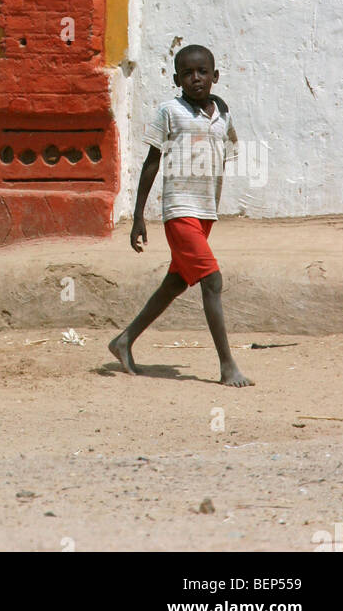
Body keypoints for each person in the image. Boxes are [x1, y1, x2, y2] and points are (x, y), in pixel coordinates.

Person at [108, 44, 253, 387]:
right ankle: (227, 365)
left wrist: (218, 112)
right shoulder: (169, 112)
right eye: (187, 73)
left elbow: (228, 152)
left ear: (215, 76)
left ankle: (124, 341)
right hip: (179, 210)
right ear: (177, 79)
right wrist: (139, 215)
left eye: (203, 72)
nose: (196, 79)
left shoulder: (222, 114)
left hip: (205, 213)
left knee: (176, 282)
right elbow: (151, 163)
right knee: (212, 280)